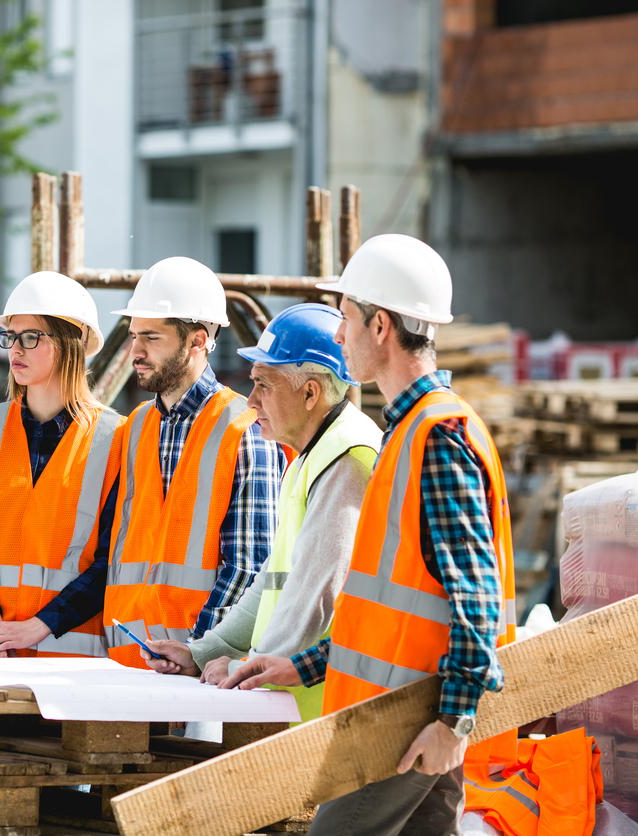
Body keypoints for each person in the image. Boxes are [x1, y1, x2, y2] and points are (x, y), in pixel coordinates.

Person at [222, 235, 517, 836]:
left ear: (380, 326)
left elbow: (476, 596)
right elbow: (389, 611)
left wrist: (453, 722)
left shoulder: (436, 436)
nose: (338, 336)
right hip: (402, 712)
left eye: (348, 319)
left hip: (405, 722)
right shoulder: (411, 432)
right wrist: (302, 665)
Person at [140, 303, 381, 727]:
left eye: (264, 385)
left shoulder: (347, 457)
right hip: (299, 708)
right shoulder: (311, 456)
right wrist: (205, 652)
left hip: (328, 716)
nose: (250, 401)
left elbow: (314, 596)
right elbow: (271, 585)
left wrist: (246, 668)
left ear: (310, 393)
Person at [103, 256, 286, 670]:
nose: (136, 351)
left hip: (203, 669)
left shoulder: (245, 429)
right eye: (134, 336)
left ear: (197, 341)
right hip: (127, 662)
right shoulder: (135, 428)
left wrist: (199, 651)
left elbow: (248, 566)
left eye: (150, 337)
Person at [0, 271, 123, 658]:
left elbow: (112, 562)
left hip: (69, 666)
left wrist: (37, 627)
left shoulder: (116, 439)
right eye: (10, 336)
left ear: (69, 343)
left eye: (30, 337)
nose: (15, 350)